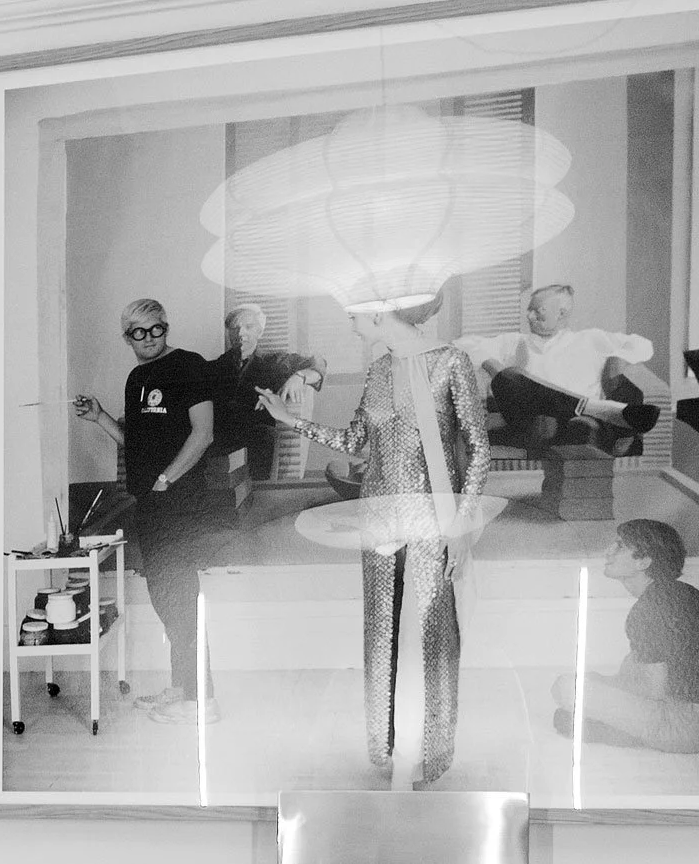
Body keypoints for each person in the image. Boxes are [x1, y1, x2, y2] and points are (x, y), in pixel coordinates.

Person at [264, 294, 488, 785]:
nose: (351, 323)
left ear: (382, 313)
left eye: (354, 315)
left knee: (427, 636)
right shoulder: (380, 371)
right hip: (380, 523)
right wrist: (291, 420)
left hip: (433, 524)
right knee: (383, 632)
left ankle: (427, 753)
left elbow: (477, 451)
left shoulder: (451, 363)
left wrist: (461, 527)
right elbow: (355, 441)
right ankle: (389, 750)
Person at [73, 300, 221, 721]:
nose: (150, 337)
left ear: (165, 328)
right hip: (151, 504)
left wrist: (166, 479)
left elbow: (204, 433)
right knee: (166, 599)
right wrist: (100, 417)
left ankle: (202, 701)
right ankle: (183, 688)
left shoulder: (189, 366)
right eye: (139, 332)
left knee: (182, 599)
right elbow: (133, 444)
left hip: (179, 503)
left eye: (157, 328)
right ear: (127, 337)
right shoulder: (136, 377)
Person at [553, 518, 699, 752]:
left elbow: (653, 693)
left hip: (693, 727)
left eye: (621, 546)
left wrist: (601, 697)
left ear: (644, 562)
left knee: (564, 688)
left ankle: (619, 732)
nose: (609, 551)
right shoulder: (679, 593)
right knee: (625, 664)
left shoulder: (647, 611)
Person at [470, 282, 660, 463]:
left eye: (537, 310)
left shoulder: (590, 339)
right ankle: (590, 406)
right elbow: (465, 345)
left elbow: (643, 344)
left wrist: (616, 360)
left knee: (580, 428)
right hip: (535, 421)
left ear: (561, 313)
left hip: (577, 423)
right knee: (510, 379)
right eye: (529, 310)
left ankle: (584, 410)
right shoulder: (515, 342)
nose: (529, 316)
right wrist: (491, 364)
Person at [207, 302, 325, 483]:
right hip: (220, 439)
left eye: (248, 327)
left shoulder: (274, 362)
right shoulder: (214, 367)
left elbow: (318, 363)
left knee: (263, 436)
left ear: (259, 332)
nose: (240, 334)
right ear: (229, 332)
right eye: (235, 328)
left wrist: (299, 376)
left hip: (256, 439)